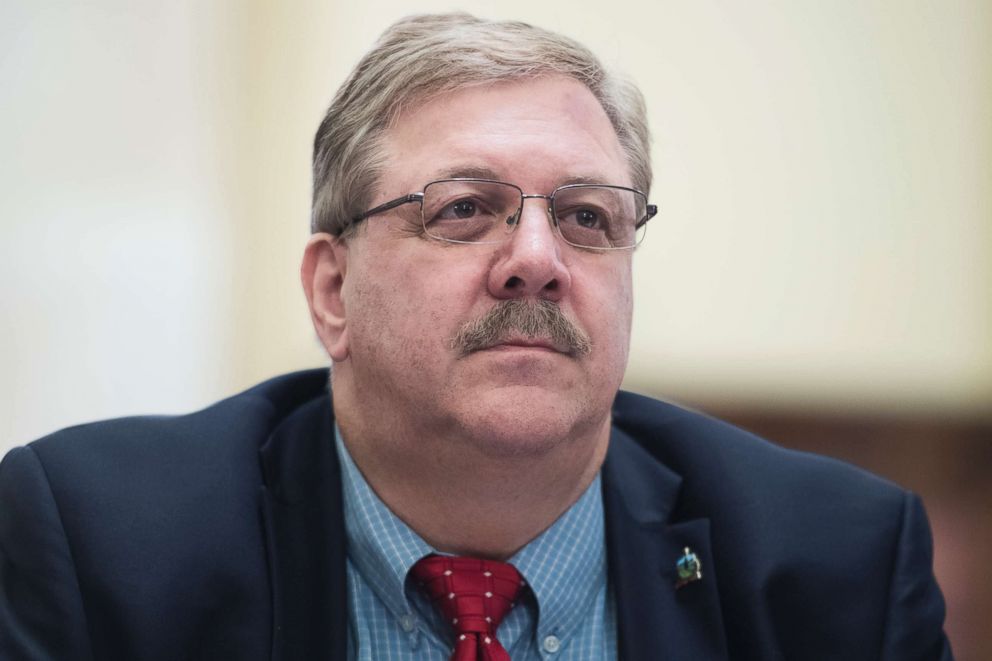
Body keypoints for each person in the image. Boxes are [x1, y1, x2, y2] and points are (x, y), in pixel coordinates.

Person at [0, 12, 951, 661]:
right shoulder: (99, 548)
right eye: (462, 209)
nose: (536, 258)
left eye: (586, 217)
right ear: (333, 291)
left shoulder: (838, 564)